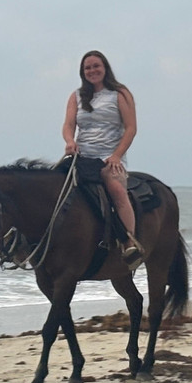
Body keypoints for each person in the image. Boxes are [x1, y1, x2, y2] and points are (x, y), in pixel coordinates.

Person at [62, 50, 143, 267]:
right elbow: (69, 125)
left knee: (116, 190)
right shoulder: (76, 96)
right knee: (53, 186)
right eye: (87, 68)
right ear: (83, 72)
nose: (92, 71)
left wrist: (116, 155)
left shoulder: (120, 93)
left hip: (109, 157)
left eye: (96, 66)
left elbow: (131, 128)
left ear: (105, 67)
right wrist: (70, 141)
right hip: (82, 155)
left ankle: (129, 242)